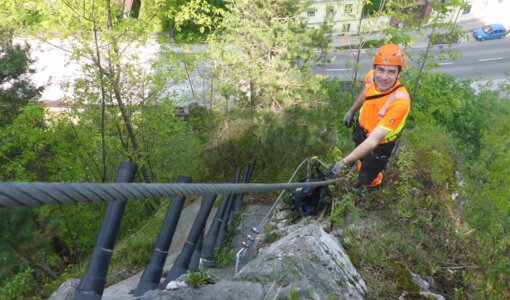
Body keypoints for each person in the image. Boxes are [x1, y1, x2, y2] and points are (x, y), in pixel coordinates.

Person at [331, 44, 411, 188]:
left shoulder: (400, 101)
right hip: (362, 129)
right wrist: (352, 110)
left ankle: (371, 185)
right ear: (374, 69)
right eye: (380, 70)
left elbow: (373, 141)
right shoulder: (371, 77)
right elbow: (367, 93)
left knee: (368, 175)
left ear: (399, 74)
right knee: (362, 159)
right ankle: (360, 163)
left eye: (391, 72)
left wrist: (343, 163)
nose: (384, 77)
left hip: (379, 145)